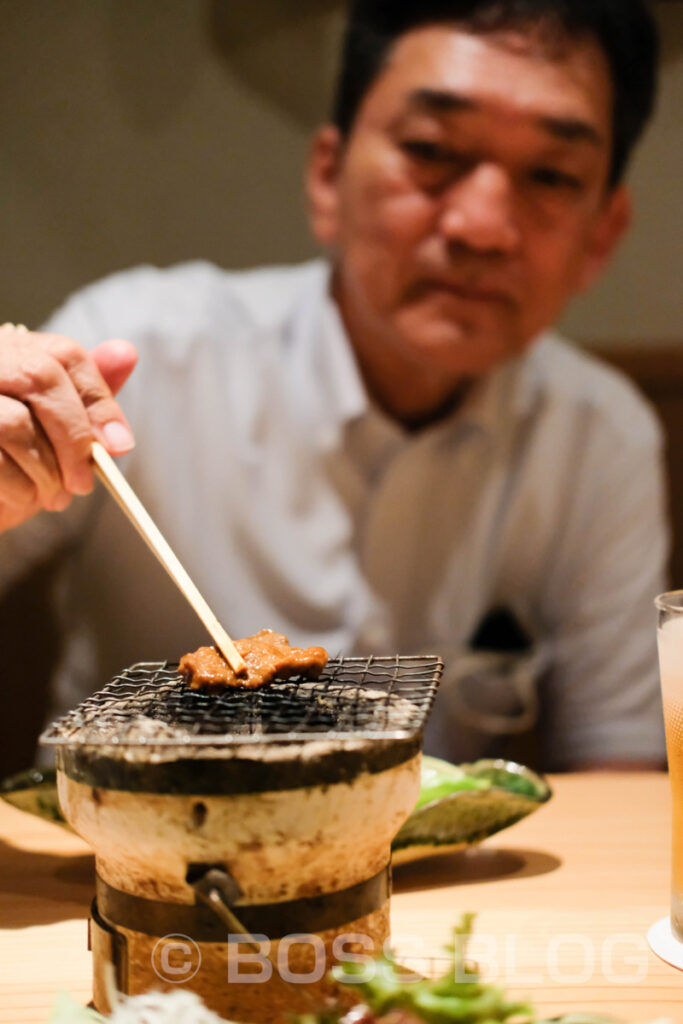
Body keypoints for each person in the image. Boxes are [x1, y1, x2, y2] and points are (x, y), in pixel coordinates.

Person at [0, 0, 667, 770]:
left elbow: (618, 763)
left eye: (550, 175)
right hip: (117, 873)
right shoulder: (141, 355)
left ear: (600, 234)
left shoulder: (597, 434)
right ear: (327, 176)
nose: (481, 226)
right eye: (431, 149)